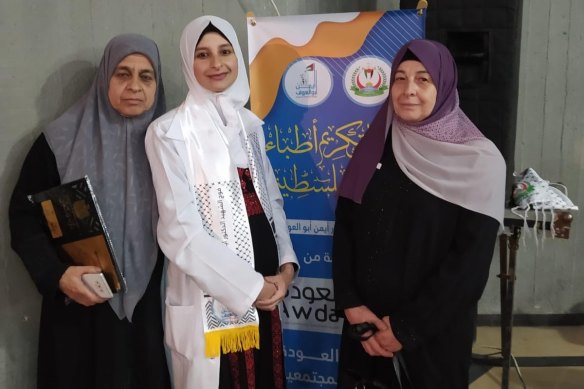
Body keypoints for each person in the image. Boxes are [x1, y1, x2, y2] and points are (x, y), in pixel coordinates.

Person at [332, 39, 506, 389]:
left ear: (442, 86)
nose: (408, 90)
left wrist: (404, 329)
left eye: (423, 79)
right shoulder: (375, 145)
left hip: (432, 341)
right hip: (363, 334)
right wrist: (352, 306)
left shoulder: (479, 161)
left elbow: (467, 268)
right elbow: (346, 227)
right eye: (399, 78)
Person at [145, 16, 298, 389]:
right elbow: (179, 231)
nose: (217, 64)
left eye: (225, 52)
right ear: (188, 62)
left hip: (266, 287)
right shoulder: (168, 133)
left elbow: (271, 200)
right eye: (203, 54)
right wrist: (248, 287)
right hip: (218, 296)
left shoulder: (249, 125)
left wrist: (286, 266)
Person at [9, 34, 170, 389]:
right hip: (78, 316)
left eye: (146, 76)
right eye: (122, 74)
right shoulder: (59, 141)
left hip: (152, 318)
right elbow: (23, 218)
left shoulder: (175, 144)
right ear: (104, 79)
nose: (134, 86)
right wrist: (57, 275)